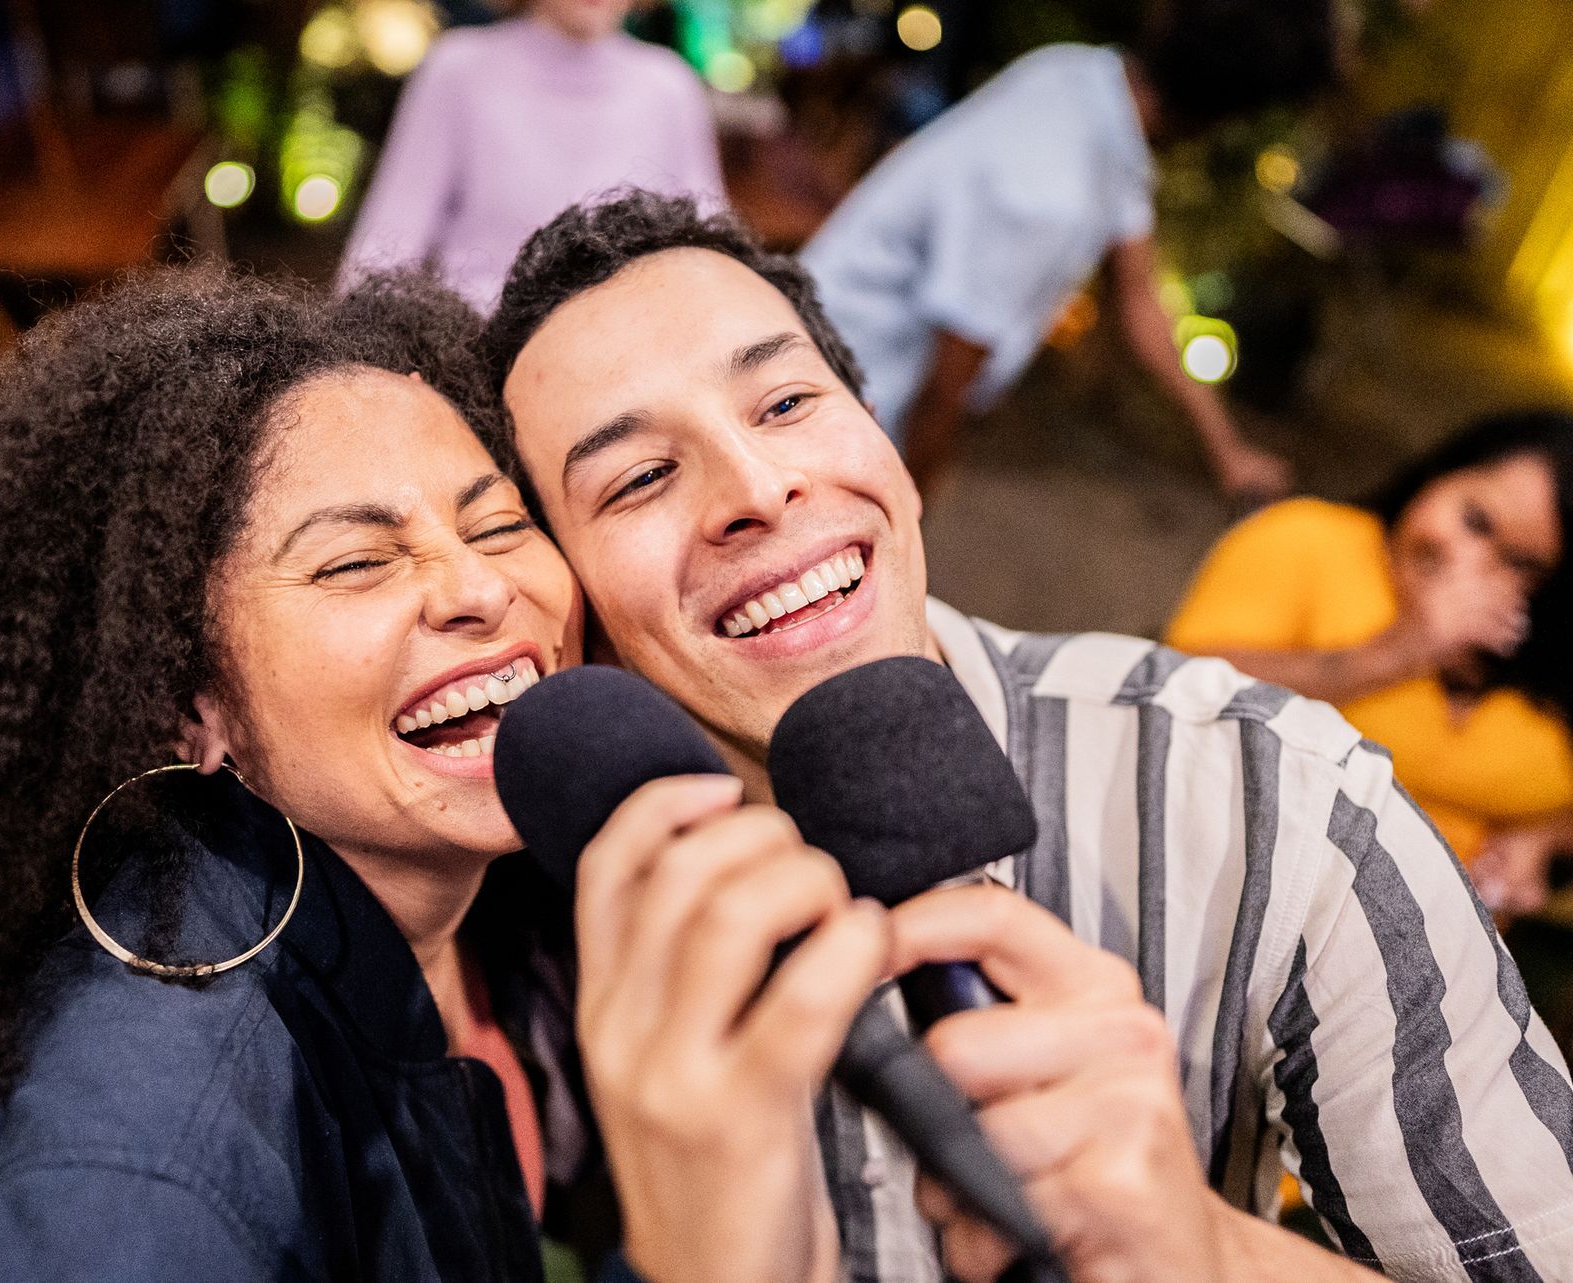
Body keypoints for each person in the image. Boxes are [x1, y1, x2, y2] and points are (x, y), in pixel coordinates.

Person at [469, 190, 1573, 1282]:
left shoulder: (1276, 797)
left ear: (884, 439)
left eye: (787, 402)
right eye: (640, 478)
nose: (756, 487)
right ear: (569, 598)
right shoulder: (555, 926)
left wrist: (1211, 1252)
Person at [0, 266, 726, 1281]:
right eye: (355, 562)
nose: (479, 586)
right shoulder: (140, 1160)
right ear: (190, 704)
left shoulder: (519, 869)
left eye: (497, 524)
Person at [799, 0, 1336, 501]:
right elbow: (945, 391)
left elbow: (1141, 300)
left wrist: (1227, 451)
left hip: (828, 360)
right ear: (1231, 116)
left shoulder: (1080, 79)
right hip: (823, 402)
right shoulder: (1051, 190)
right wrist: (908, 517)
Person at [1166, 411, 1573, 918]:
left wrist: (1541, 836)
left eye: (1522, 564)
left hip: (1425, 960)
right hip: (1225, 906)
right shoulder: (1309, 539)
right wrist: (1399, 652)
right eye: (1474, 521)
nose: (1469, 566)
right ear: (1439, 474)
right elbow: (1175, 685)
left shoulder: (1543, 653)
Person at [338, 0, 725, 308]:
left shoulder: (669, 86)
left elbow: (710, 247)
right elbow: (387, 243)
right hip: (476, 351)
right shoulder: (459, 70)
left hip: (629, 353)